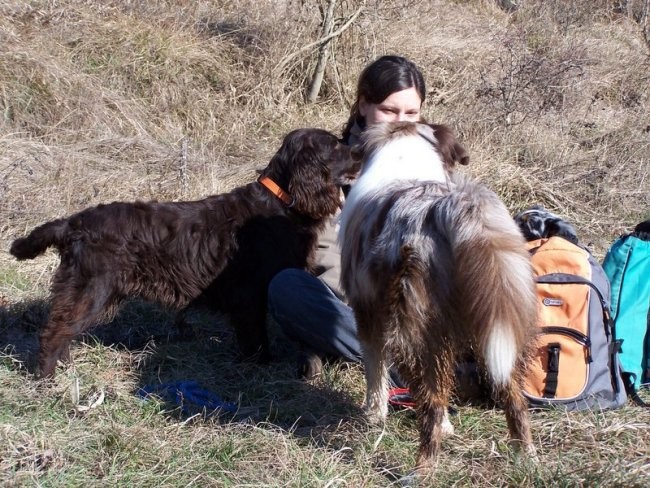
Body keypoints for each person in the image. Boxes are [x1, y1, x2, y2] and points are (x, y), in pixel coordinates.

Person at [267, 55, 426, 382]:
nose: (400, 122)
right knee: (286, 288)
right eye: (389, 110)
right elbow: (325, 258)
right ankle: (398, 364)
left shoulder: (431, 162)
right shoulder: (330, 166)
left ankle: (348, 348)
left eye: (411, 113)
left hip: (415, 301)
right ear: (364, 105)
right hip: (350, 301)